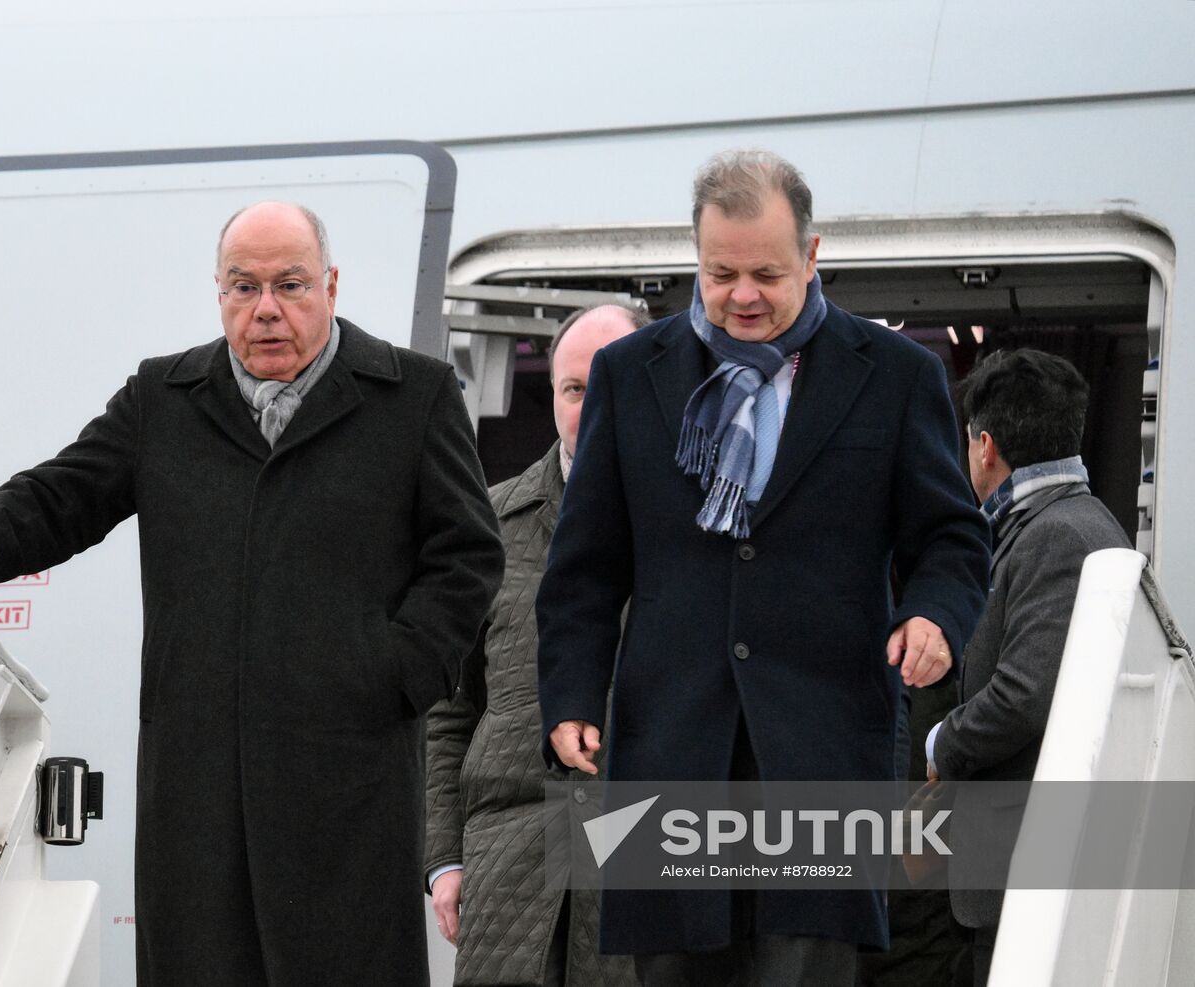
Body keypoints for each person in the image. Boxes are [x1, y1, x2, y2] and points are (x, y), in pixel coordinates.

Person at [0, 201, 504, 986]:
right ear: (218, 293)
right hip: (199, 781)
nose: (266, 309)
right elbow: (63, 494)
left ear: (332, 284)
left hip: (347, 780)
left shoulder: (412, 396)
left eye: (290, 284)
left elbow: (470, 555)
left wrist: (393, 673)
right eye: (242, 287)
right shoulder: (163, 399)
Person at [536, 150, 992, 986]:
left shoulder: (897, 376)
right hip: (669, 744)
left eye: (766, 273)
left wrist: (934, 615)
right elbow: (585, 569)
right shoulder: (627, 374)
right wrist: (569, 695)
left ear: (813, 256)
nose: (743, 294)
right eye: (721, 273)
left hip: (823, 745)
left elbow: (953, 539)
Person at [425, 304, 646, 987]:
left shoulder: (704, 526)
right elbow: (447, 707)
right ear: (551, 397)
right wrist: (443, 858)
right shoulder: (488, 524)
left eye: (611, 386)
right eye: (575, 388)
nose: (591, 406)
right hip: (510, 861)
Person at [926, 348, 1130, 986]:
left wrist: (942, 742)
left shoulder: (1056, 535)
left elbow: (1024, 692)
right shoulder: (1065, 522)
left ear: (985, 446)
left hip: (1028, 863)